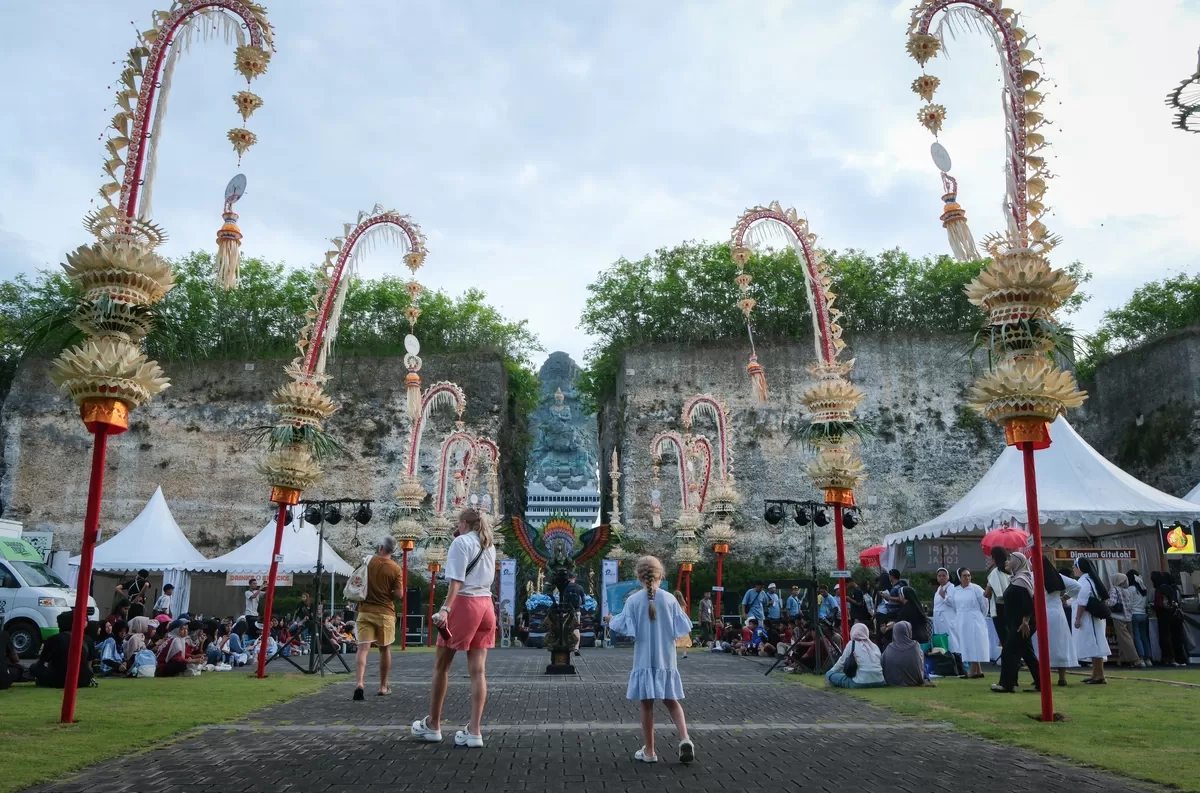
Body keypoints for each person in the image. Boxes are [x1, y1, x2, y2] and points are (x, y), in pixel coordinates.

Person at [412, 508, 497, 748]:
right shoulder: (488, 544)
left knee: (441, 666)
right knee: (478, 671)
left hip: (465, 604)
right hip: (486, 605)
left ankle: (434, 724)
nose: (456, 527)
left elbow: (457, 581)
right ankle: (474, 730)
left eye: (457, 523)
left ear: (463, 523)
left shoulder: (461, 542)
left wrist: (445, 610)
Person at [602, 555, 694, 764]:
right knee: (672, 702)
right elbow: (683, 627)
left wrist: (610, 620)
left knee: (647, 705)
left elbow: (622, 625)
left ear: (639, 577)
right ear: (660, 574)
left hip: (644, 660)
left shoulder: (633, 600)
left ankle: (650, 751)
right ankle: (685, 738)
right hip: (666, 660)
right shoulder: (670, 599)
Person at [352, 535, 404, 700]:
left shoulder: (368, 562)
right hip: (385, 613)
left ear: (380, 547)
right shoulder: (395, 569)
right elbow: (399, 594)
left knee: (363, 648)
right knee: (385, 649)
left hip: (365, 610)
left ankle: (360, 683)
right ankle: (383, 686)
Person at [992, 552, 1040, 693]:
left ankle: (1006, 684)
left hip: (1022, 623)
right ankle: (1041, 682)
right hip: (1018, 622)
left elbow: (1028, 604)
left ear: (1018, 562)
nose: (1007, 562)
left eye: (1010, 560)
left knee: (1009, 651)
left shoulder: (1021, 580)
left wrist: (1025, 621)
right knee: (1027, 653)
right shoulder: (1018, 578)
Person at [1032, 554, 1077, 687]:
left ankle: (1041, 677)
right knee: (1059, 645)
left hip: (1041, 613)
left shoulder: (1033, 576)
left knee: (1041, 645)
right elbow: (1077, 587)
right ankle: (1062, 677)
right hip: (1057, 613)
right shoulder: (1057, 576)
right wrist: (1064, 597)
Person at [32, 611, 94, 688]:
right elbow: (89, 663)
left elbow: (42, 661)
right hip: (83, 680)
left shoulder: (53, 639)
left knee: (33, 668)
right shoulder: (88, 639)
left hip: (59, 680)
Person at [1072, 557, 1109, 683]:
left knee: (1095, 646)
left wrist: (1077, 619)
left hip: (1089, 618)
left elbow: (1082, 601)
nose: (1073, 569)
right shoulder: (1088, 579)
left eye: (1075, 566)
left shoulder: (1085, 581)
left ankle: (1099, 675)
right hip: (1091, 618)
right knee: (1093, 644)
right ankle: (1096, 674)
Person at [949, 568, 989, 679]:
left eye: (968, 575)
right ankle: (978, 670)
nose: (967, 578)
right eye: (964, 576)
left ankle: (972, 671)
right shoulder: (955, 590)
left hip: (974, 618)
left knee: (974, 643)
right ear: (959, 578)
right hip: (962, 619)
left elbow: (984, 603)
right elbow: (953, 604)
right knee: (966, 643)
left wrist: (979, 616)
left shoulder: (976, 589)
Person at [826, 622, 884, 689]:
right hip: (880, 681)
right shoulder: (874, 646)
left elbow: (841, 662)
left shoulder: (852, 644)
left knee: (829, 675)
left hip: (859, 682)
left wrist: (831, 672)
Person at [1151, 571, 1188, 667]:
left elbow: (1159, 604)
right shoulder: (1175, 589)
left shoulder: (1160, 589)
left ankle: (1168, 658)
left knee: (1165, 637)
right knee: (1177, 638)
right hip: (1176, 615)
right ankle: (1180, 658)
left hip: (1164, 615)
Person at [882, 620, 931, 687]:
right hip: (914, 681)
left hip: (892, 682)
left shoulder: (889, 648)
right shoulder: (915, 646)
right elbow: (921, 665)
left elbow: (883, 664)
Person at [1107, 573, 1138, 667]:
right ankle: (1121, 659)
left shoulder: (1114, 589)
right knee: (1128, 638)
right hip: (1128, 616)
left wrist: (1105, 602)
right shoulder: (1126, 590)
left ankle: (1135, 659)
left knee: (1124, 639)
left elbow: (1111, 602)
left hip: (1118, 616)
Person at [1125, 569, 1152, 667]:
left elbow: (1129, 604)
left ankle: (1140, 658)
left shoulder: (1130, 589)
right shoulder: (1143, 589)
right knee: (1144, 636)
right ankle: (1148, 658)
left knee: (1137, 637)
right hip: (1143, 614)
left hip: (1134, 614)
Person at [984, 548, 1011, 646]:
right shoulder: (1011, 570)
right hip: (1012, 605)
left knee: (1003, 636)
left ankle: (1009, 658)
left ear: (994, 558)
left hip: (1000, 607)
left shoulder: (995, 572)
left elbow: (987, 593)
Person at [932, 567, 959, 654]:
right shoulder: (939, 588)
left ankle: (954, 655)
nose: (941, 577)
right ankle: (943, 655)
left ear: (948, 577)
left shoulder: (950, 587)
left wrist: (944, 596)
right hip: (938, 618)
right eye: (939, 576)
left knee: (950, 637)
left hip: (947, 617)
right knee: (940, 637)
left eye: (944, 575)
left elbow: (953, 602)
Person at [565, 573, 586, 656]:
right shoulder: (579, 587)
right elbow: (583, 602)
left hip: (565, 612)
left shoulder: (564, 587)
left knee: (565, 629)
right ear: (574, 578)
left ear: (567, 578)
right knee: (576, 629)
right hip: (576, 611)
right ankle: (576, 648)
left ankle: (566, 647)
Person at [673, 590, 692, 658]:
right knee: (684, 637)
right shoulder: (683, 603)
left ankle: (673, 652)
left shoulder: (673, 603)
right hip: (683, 621)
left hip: (676, 620)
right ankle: (684, 653)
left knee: (675, 636)